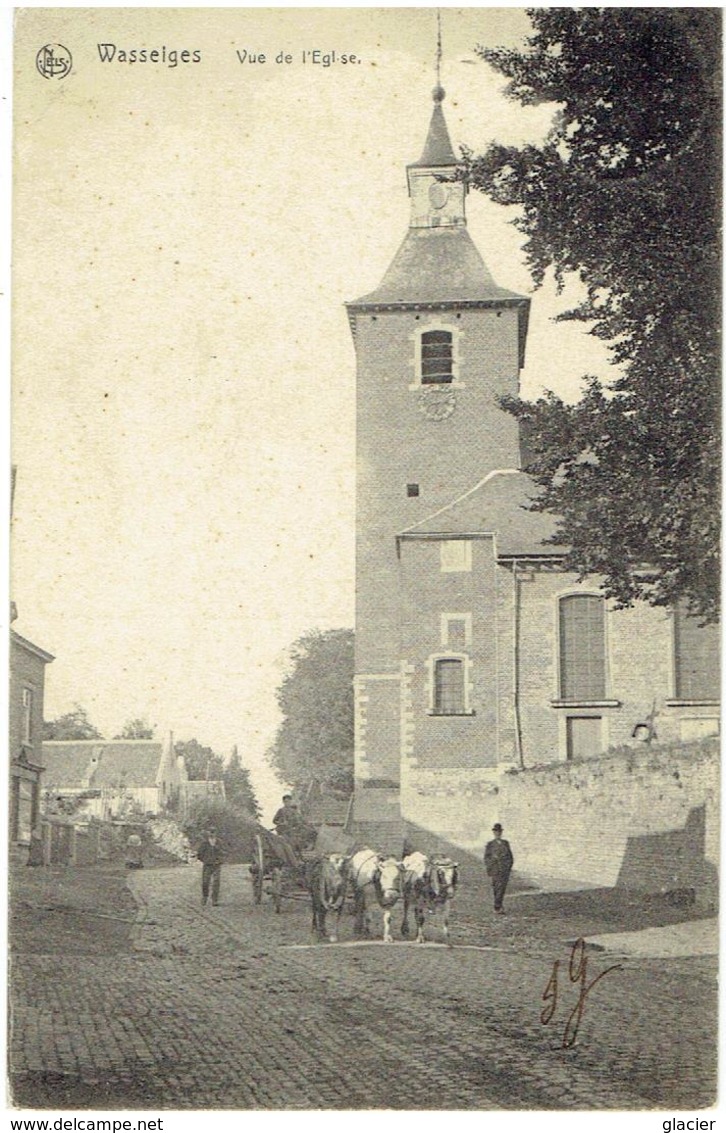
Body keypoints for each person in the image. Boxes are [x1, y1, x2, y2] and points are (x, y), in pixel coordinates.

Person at [484, 823, 514, 914]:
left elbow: (510, 857)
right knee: (497, 888)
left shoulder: (505, 843)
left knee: (502, 888)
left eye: (499, 832)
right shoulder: (490, 844)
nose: (498, 833)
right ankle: (497, 906)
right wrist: (491, 866)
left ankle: (498, 905)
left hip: (504, 870)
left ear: (501, 832)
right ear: (493, 832)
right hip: (495, 869)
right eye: (496, 831)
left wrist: (508, 867)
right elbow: (486, 858)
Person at [197, 827, 225, 906]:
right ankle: (205, 897)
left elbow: (224, 852)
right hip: (207, 865)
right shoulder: (204, 843)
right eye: (211, 832)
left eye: (213, 832)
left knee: (216, 882)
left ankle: (214, 900)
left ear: (216, 833)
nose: (212, 834)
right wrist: (205, 860)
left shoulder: (219, 842)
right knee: (205, 882)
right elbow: (199, 854)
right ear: (208, 833)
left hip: (216, 865)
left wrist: (219, 859)